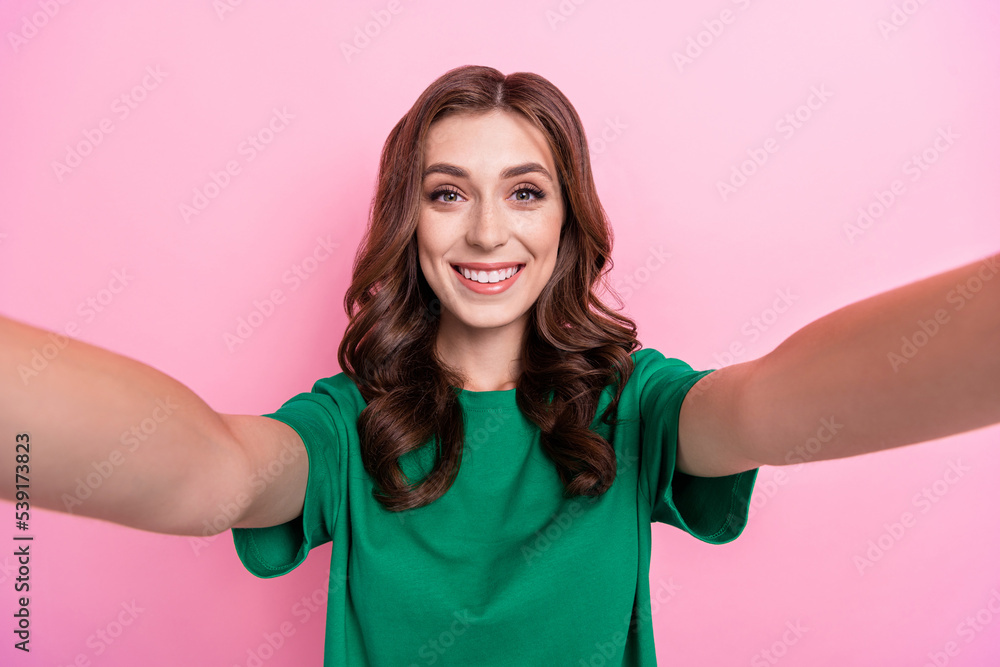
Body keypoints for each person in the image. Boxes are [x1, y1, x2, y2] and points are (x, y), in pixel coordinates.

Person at [1, 64, 998, 666]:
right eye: (447, 193)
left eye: (524, 192)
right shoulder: (344, 431)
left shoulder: (636, 406)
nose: (486, 230)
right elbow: (209, 468)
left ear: (567, 220)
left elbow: (780, 402)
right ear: (408, 217)